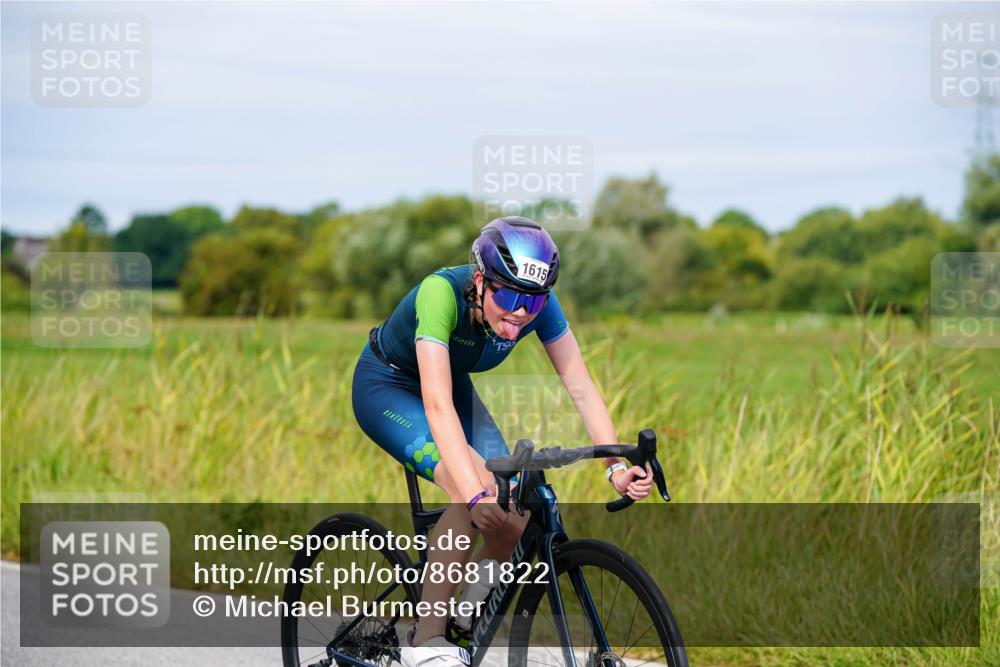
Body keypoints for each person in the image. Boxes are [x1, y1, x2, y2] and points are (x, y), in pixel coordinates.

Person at [351, 216, 653, 667]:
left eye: (532, 303)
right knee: (475, 488)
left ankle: (464, 615)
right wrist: (471, 491)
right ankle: (426, 640)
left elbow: (581, 386)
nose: (519, 313)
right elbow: (436, 405)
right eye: (508, 296)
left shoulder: (536, 305)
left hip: (450, 385)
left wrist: (614, 466)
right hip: (389, 388)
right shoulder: (440, 294)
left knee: (514, 512)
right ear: (479, 281)